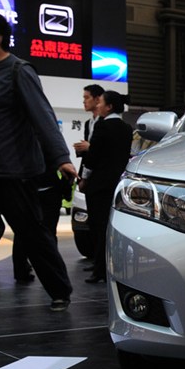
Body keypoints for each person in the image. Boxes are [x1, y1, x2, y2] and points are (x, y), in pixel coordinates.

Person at [0, 12, 78, 315]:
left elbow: (43, 116)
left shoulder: (18, 70)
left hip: (13, 172)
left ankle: (59, 290)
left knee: (32, 234)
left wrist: (61, 158)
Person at [80, 90, 133, 284]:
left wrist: (84, 176)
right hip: (116, 183)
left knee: (97, 226)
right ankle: (108, 266)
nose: (98, 105)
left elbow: (92, 158)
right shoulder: (127, 128)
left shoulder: (102, 126)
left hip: (99, 184)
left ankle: (99, 269)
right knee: (110, 226)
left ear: (109, 107)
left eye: (100, 102)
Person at [73, 83, 104, 272]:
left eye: (87, 97)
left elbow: (104, 151)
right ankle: (95, 261)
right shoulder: (88, 123)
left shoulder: (106, 123)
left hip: (101, 179)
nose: (84, 101)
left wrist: (90, 148)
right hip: (88, 176)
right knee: (91, 221)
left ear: (98, 99)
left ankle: (101, 263)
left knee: (100, 222)